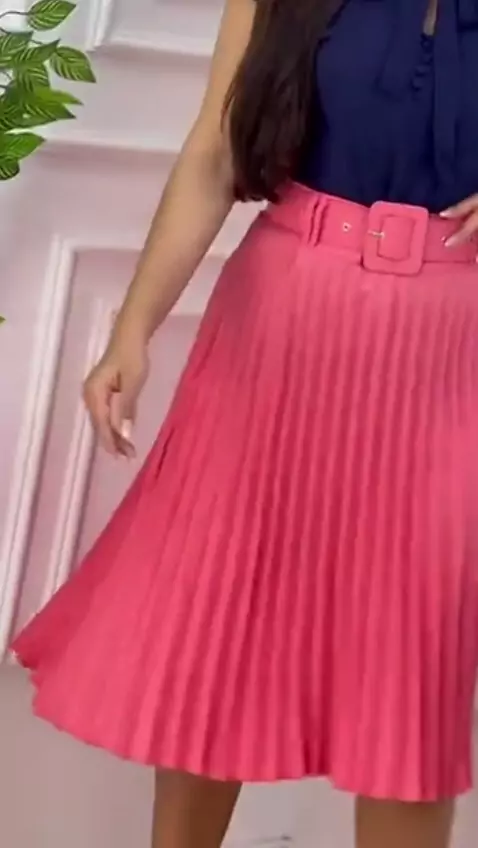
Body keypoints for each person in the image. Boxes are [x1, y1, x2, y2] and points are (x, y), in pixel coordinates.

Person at [11, 0, 478, 846]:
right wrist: (133, 329)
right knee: (220, 638)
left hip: (452, 352)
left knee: (415, 667)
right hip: (278, 327)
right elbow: (215, 150)